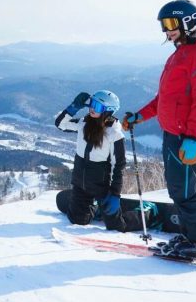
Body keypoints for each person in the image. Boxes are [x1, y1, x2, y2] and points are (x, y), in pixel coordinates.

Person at [122, 0, 196, 265]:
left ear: (188, 22)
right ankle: (192, 238)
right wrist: (140, 116)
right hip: (172, 134)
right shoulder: (179, 53)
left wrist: (195, 138)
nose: (167, 30)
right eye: (164, 25)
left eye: (171, 23)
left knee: (186, 193)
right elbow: (165, 98)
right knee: (177, 191)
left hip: (186, 137)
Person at [54, 89, 149, 232]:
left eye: (97, 107)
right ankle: (95, 208)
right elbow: (60, 124)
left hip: (102, 187)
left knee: (116, 226)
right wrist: (74, 107)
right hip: (81, 183)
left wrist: (115, 194)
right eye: (92, 103)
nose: (92, 108)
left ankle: (148, 212)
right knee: (77, 221)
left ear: (108, 111)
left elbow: (118, 166)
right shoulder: (83, 123)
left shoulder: (114, 134)